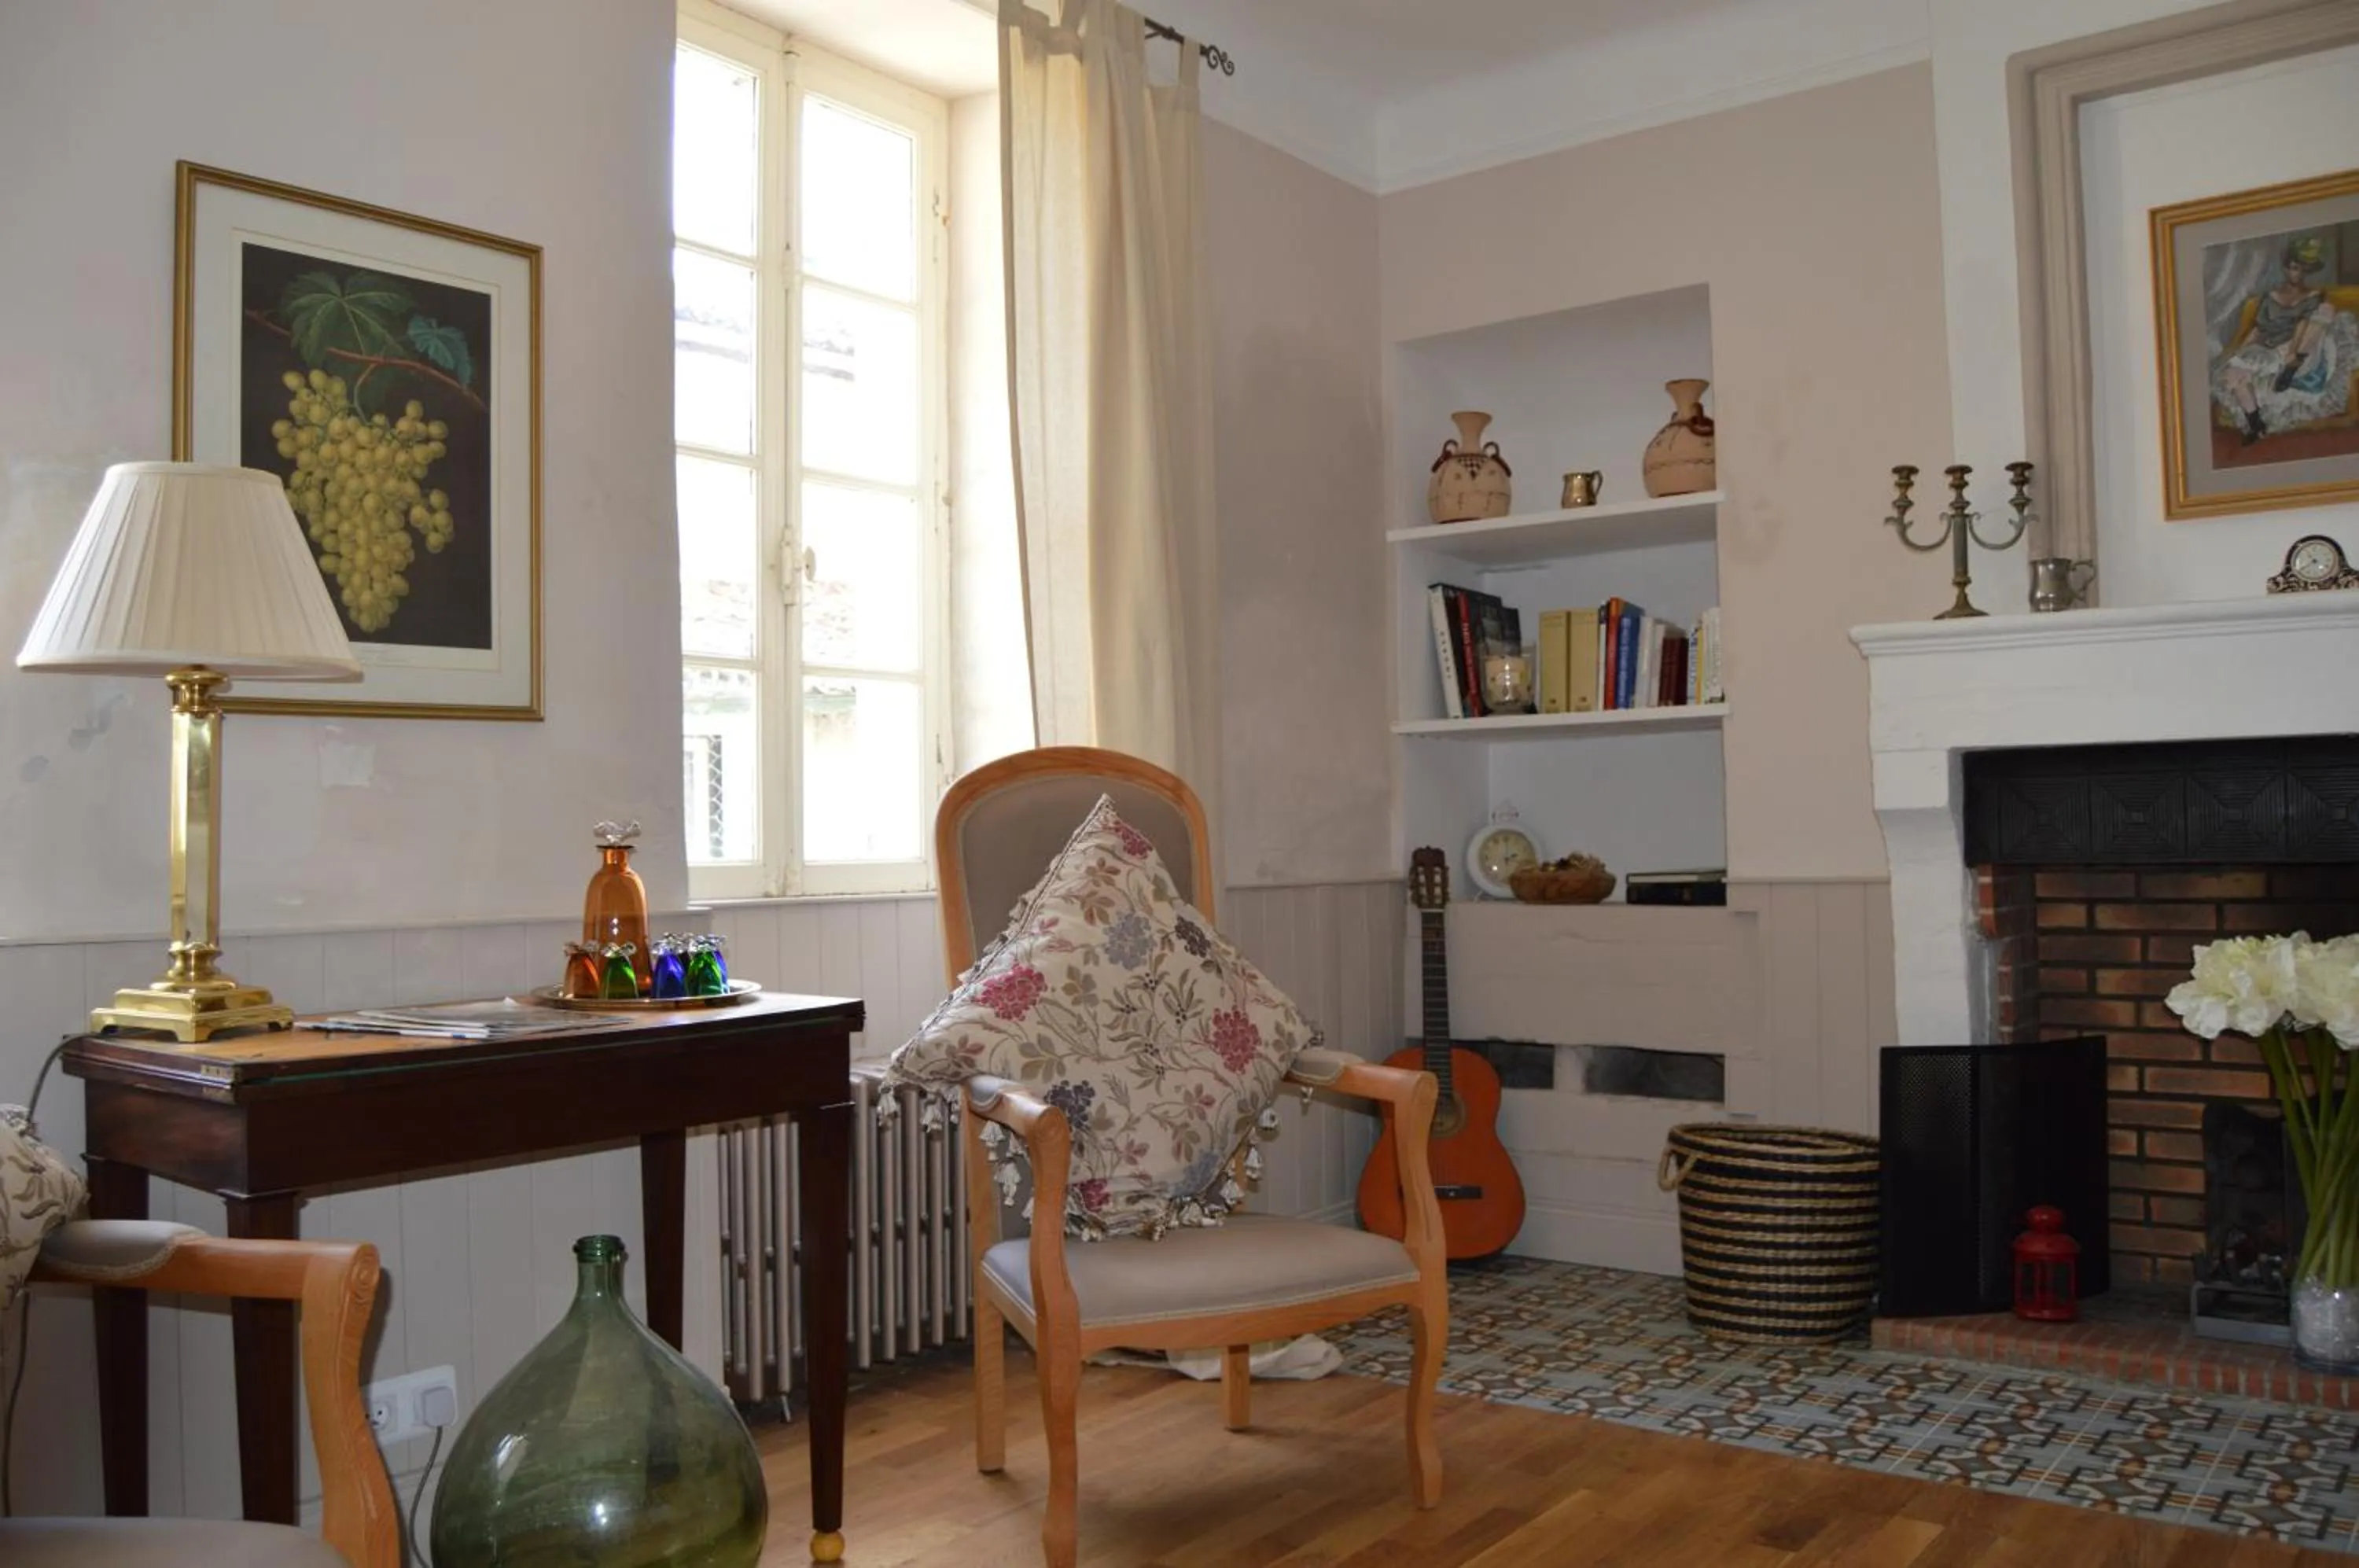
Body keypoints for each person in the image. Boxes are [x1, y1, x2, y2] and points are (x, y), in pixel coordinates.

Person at [2213, 235, 2353, 444]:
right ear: (2286, 269)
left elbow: (2302, 327)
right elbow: (2258, 329)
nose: (2295, 272)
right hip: (2269, 346)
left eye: (2300, 268)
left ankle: (2290, 367)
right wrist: (2240, 353)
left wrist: (2293, 353)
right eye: (2292, 267)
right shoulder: (2270, 297)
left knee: (2325, 311)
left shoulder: (2313, 296)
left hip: (2300, 349)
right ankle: (2255, 423)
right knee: (2234, 371)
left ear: (2306, 272)